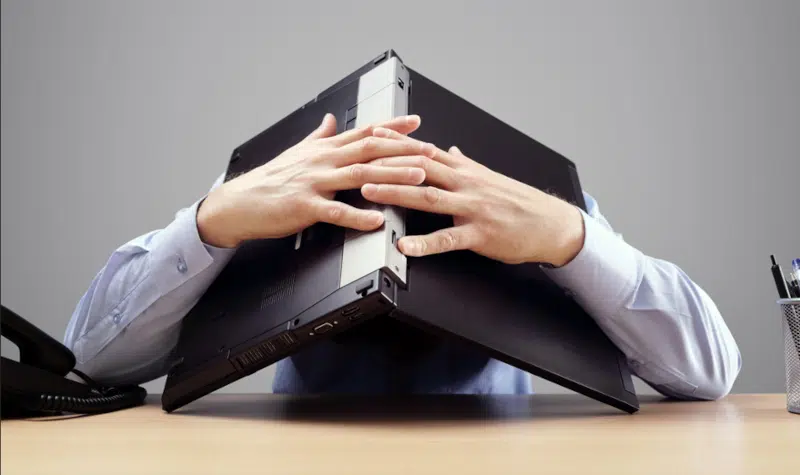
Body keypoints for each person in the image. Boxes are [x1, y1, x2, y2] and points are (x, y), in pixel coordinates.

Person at [63, 113, 741, 400]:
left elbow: (710, 371)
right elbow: (91, 360)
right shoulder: (274, 191)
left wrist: (573, 237)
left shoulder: (513, 199)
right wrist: (210, 223)